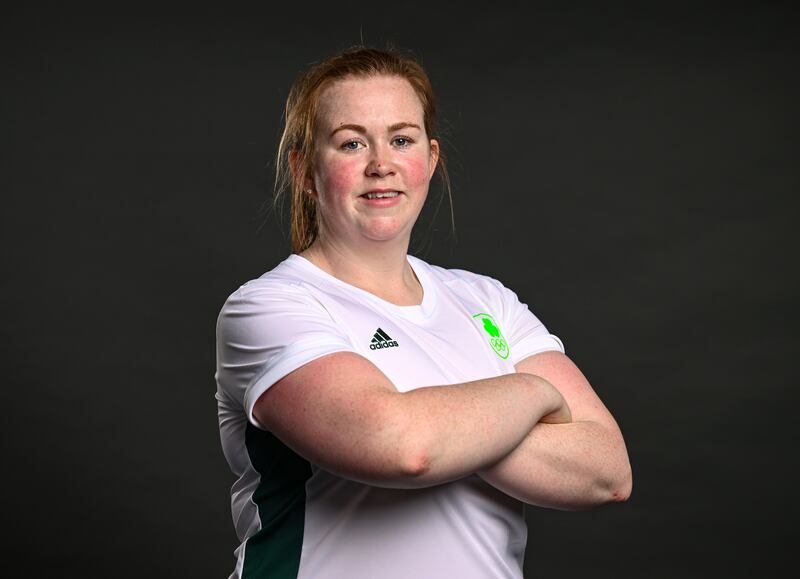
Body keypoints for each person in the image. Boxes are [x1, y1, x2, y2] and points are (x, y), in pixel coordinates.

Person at [215, 46, 632, 579]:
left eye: (401, 139)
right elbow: (401, 447)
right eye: (350, 143)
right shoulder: (270, 307)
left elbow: (606, 471)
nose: (380, 164)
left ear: (430, 160)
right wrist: (537, 393)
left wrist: (439, 426)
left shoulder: (487, 302)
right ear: (304, 169)